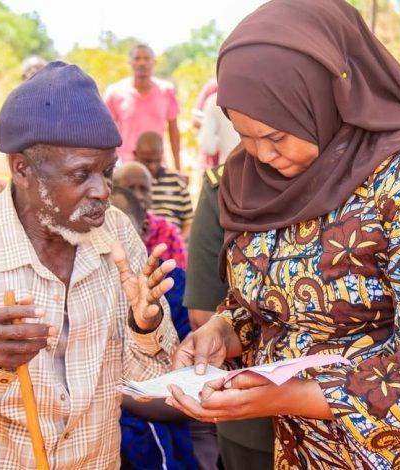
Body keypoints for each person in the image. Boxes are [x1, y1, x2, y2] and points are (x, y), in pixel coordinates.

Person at [166, 1, 400, 468]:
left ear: (323, 98)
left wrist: (282, 399)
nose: (260, 155)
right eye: (243, 134)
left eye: (275, 136)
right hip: (314, 450)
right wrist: (225, 330)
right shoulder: (251, 176)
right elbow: (274, 300)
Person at [0, 61, 179, 469]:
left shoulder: (116, 233)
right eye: (81, 174)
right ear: (22, 169)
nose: (103, 190)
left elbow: (151, 383)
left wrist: (144, 329)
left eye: (107, 171)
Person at [182, 165, 275, 470]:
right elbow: (205, 317)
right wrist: (220, 330)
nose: (264, 153)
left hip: (356, 423)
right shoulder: (230, 183)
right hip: (254, 425)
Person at [109, 186, 198, 470]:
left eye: (119, 235)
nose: (111, 252)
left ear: (143, 233)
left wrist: (107, 392)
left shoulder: (173, 287)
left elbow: (185, 393)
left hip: (153, 439)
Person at [104, 45, 181, 168]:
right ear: (130, 62)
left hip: (156, 165)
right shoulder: (115, 92)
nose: (142, 63)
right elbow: (105, 132)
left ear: (154, 62)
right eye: (137, 58)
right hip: (126, 166)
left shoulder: (166, 90)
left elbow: (174, 130)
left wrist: (177, 167)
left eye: (146, 58)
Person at [114, 161, 187, 268]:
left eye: (144, 189)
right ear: (116, 192)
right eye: (130, 188)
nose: (139, 196)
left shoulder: (168, 233)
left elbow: (182, 280)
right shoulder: (103, 230)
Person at [133, 132, 193, 237]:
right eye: (147, 161)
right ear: (135, 154)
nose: (152, 166)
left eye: (157, 160)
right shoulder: (127, 181)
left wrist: (178, 243)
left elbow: (189, 221)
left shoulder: (177, 182)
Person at [198, 93, 241, 168]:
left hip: (229, 167)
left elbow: (208, 146)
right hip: (260, 169)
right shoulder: (260, 94)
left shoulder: (214, 101)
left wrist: (223, 139)